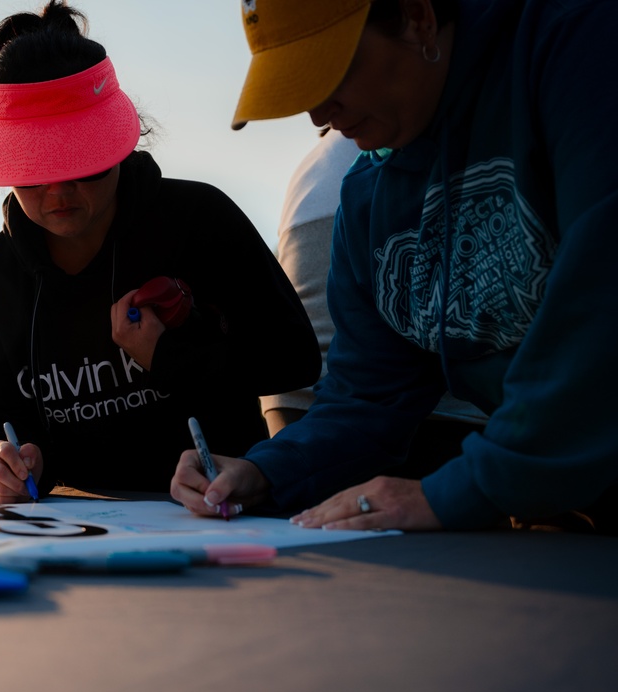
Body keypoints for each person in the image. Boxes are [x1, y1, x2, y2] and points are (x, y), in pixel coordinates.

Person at [172, 0, 618, 534]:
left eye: (325, 72)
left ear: (418, 18)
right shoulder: (368, 199)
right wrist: (267, 470)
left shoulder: (577, 47)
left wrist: (468, 488)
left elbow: (601, 298)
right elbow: (369, 395)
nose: (316, 115)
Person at [0, 1, 320, 504]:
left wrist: (172, 355)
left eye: (83, 164)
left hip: (216, 513)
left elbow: (295, 361)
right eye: (33, 171)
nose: (58, 193)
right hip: (75, 528)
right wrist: (8, 458)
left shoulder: (199, 220)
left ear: (118, 145)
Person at [262, 128, 488, 479]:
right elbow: (374, 375)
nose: (316, 114)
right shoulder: (365, 180)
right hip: (375, 419)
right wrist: (263, 472)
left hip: (308, 414)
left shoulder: (327, 171)